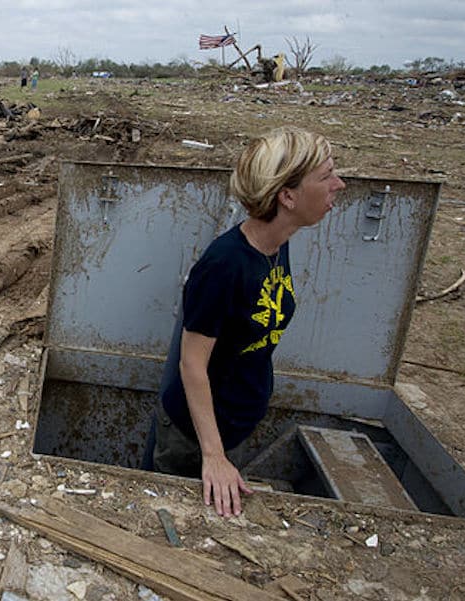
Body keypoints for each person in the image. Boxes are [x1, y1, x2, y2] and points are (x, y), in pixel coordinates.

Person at [144, 127, 346, 517]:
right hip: (194, 440)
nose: (339, 184)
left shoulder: (276, 243)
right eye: (326, 176)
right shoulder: (224, 266)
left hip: (232, 426)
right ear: (287, 197)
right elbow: (192, 364)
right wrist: (214, 456)